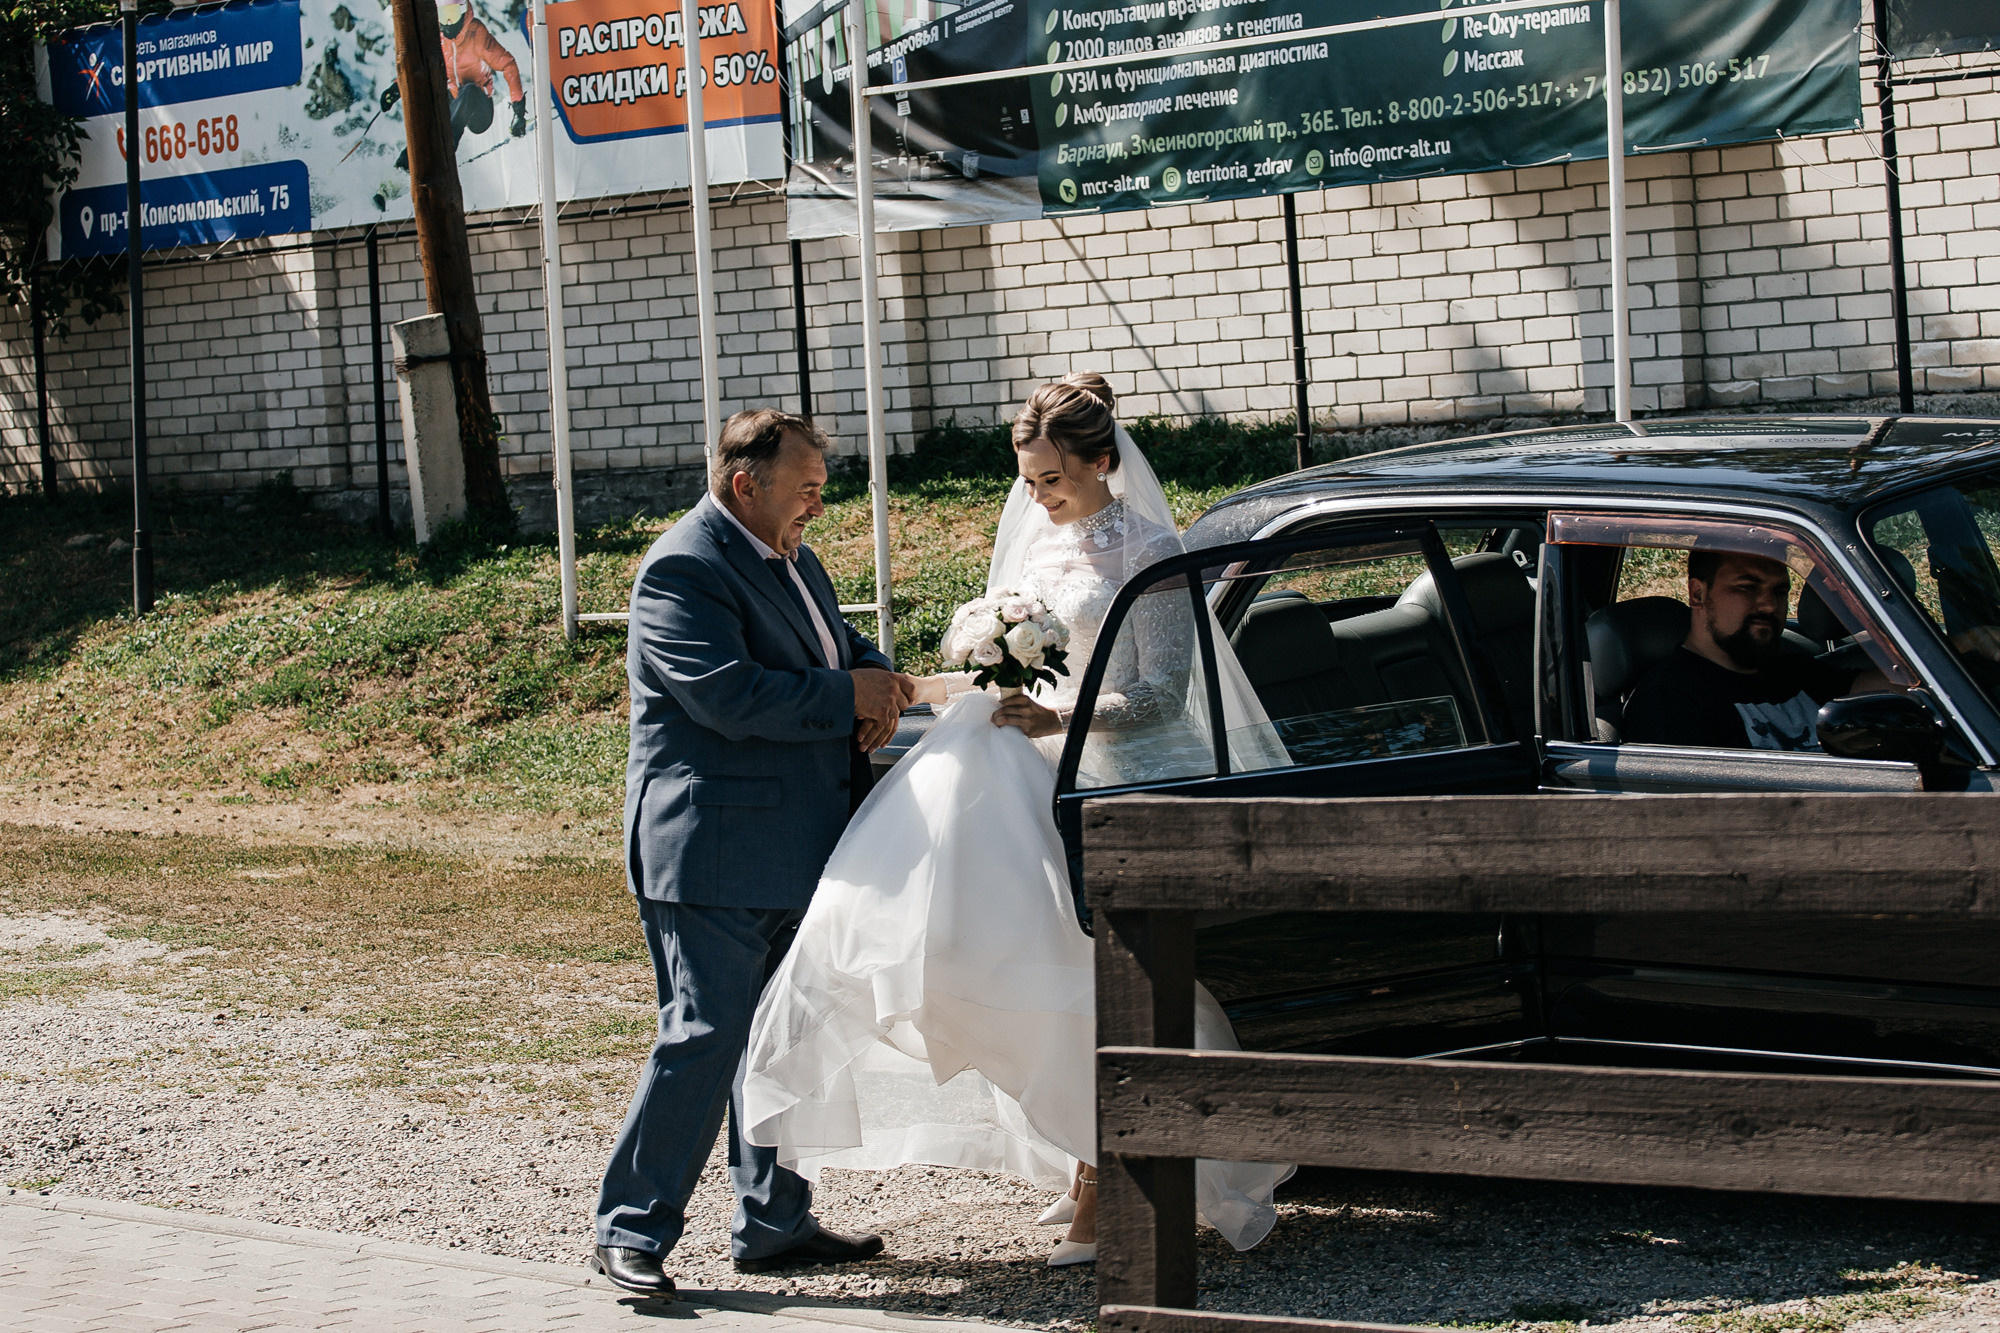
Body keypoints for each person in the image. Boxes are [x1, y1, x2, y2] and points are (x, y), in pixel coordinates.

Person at [742, 377, 1292, 1269]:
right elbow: (1017, 670)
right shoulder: (1037, 542)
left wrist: (1061, 721)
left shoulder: (1151, 551)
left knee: (1093, 979)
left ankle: (1108, 1180)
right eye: (1029, 482)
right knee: (1031, 963)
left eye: (1052, 481)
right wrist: (949, 683)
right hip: (1037, 776)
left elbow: (1158, 693)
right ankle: (1081, 1161)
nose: (1036, 498)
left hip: (1119, 782)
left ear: (1101, 462)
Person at [592, 409, 916, 1298]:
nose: (818, 501)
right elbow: (725, 695)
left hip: (795, 846)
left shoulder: (792, 555)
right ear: (747, 484)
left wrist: (879, 679)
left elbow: (840, 649)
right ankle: (632, 1230)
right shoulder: (682, 568)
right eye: (807, 485)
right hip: (710, 852)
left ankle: (772, 1220)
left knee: (782, 1038)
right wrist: (845, 691)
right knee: (702, 1038)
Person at [1621, 549, 1886, 751]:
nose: (1770, 605)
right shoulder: (1668, 702)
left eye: (1780, 590)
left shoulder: (1794, 671)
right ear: (1698, 594)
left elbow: (1885, 692)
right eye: (1747, 587)